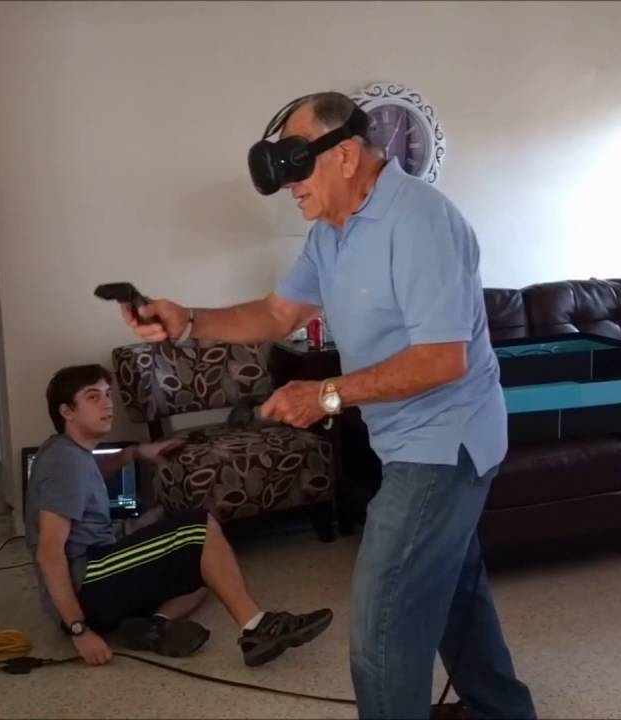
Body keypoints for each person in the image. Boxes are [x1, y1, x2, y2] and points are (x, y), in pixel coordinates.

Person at [116, 92, 537, 719]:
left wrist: (327, 394)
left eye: (297, 163)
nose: (289, 185)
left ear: (344, 155)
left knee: (383, 623)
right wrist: (189, 321)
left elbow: (441, 360)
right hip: (404, 439)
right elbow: (276, 314)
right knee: (453, 590)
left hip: (445, 444)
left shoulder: (420, 221)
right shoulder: (330, 234)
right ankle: (503, 711)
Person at [25, 364, 333, 668]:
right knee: (200, 528)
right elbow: (49, 553)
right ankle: (258, 628)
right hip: (87, 585)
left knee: (207, 567)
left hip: (96, 578)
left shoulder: (65, 451)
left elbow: (91, 471)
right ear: (67, 411)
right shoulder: (65, 464)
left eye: (108, 394)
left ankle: (152, 625)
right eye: (93, 397)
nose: (107, 404)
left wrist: (134, 453)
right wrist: (79, 629)